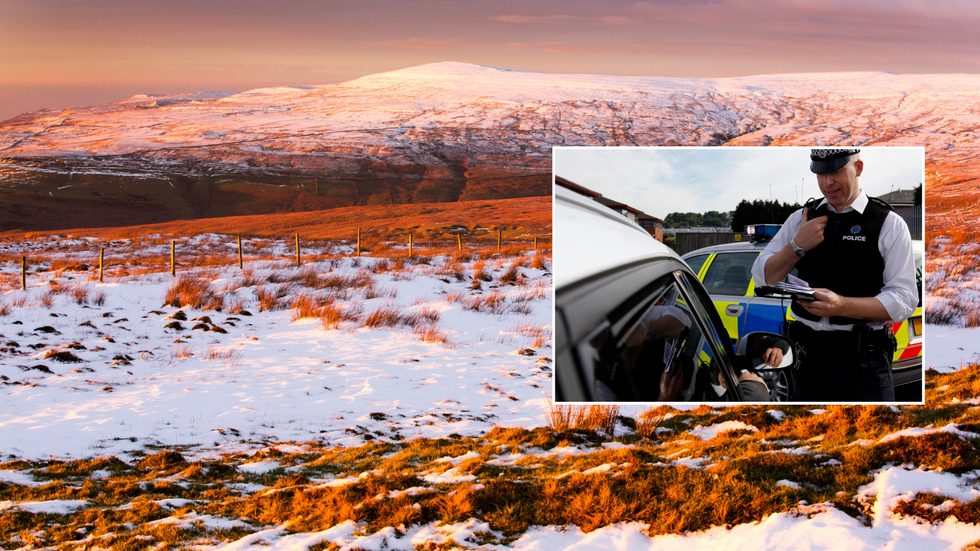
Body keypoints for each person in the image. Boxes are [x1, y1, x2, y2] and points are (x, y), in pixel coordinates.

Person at [751, 148, 918, 401]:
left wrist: (841, 305)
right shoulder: (801, 219)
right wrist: (797, 246)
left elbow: (904, 300)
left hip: (863, 363)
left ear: (858, 168)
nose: (827, 183)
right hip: (804, 360)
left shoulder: (888, 223)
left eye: (836, 171)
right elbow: (763, 277)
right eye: (820, 173)